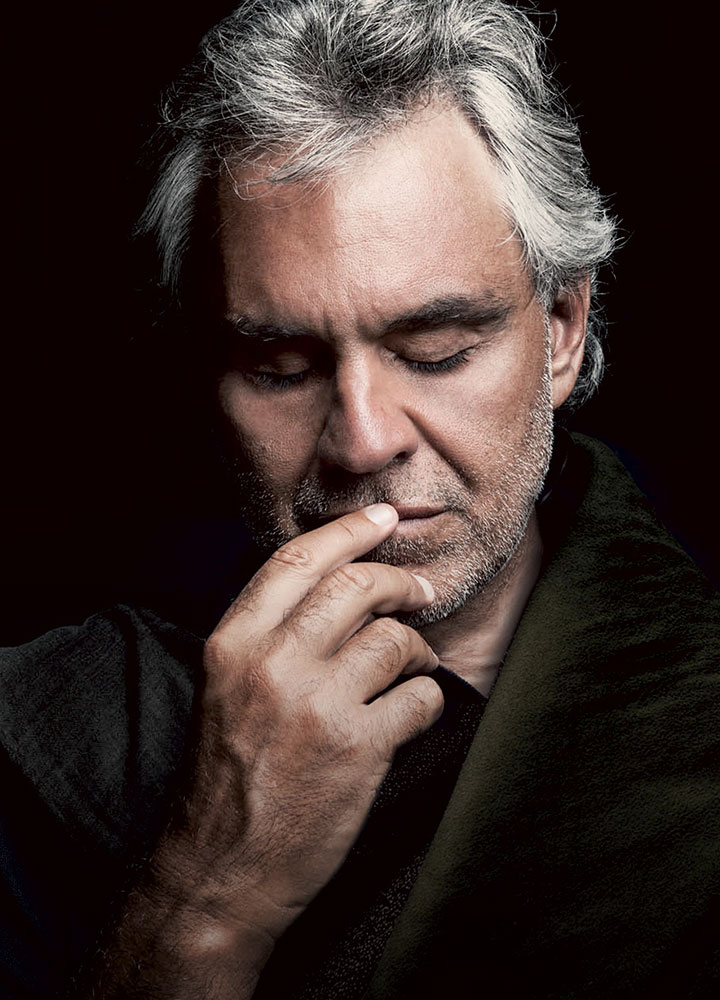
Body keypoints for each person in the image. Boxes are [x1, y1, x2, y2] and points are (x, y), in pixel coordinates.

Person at [1, 1, 718, 998]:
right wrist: (208, 897)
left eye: (437, 350)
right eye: (281, 368)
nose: (365, 439)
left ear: (561, 329)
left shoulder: (696, 708)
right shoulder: (49, 730)